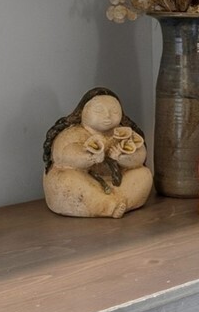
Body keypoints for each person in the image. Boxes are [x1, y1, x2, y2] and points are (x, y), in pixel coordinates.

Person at [42, 88, 153, 218]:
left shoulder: (123, 133)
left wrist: (122, 157)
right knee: (65, 180)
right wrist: (90, 157)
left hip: (116, 183)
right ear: (83, 112)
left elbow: (140, 157)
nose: (108, 116)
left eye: (114, 111)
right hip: (84, 182)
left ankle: (122, 201)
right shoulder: (73, 133)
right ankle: (106, 206)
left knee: (144, 174)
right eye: (99, 110)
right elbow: (62, 156)